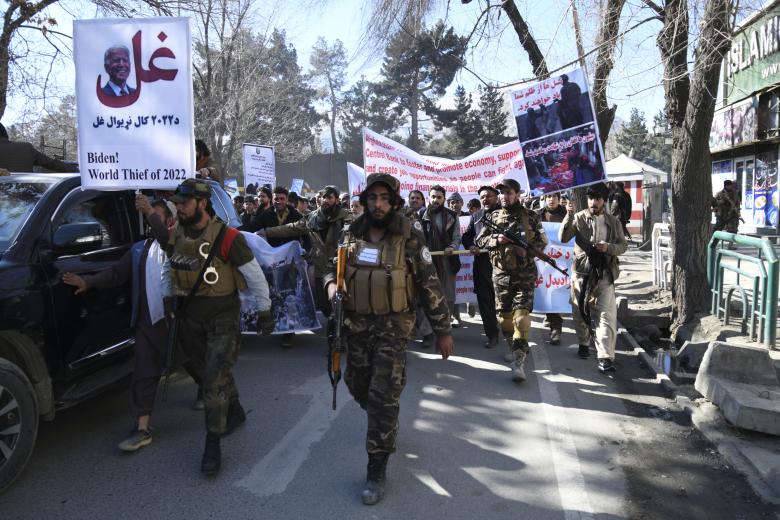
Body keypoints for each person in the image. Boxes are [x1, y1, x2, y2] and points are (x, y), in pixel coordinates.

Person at [324, 173, 453, 506]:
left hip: (394, 328)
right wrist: (330, 286)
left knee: (382, 397)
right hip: (356, 327)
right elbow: (329, 267)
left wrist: (443, 330)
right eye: (372, 198)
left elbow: (429, 284)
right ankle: (386, 418)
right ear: (365, 201)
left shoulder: (411, 237)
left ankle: (376, 466)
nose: (377, 204)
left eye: (384, 198)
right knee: (356, 383)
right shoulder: (349, 233)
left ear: (394, 202)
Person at [163, 179, 274, 476]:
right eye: (178, 203)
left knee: (213, 381)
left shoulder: (228, 237)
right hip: (190, 317)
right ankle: (234, 409)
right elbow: (168, 266)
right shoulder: (178, 232)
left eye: (184, 203)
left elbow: (255, 275)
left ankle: (212, 444)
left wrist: (265, 311)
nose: (180, 208)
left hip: (223, 317)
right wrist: (167, 297)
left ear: (201, 203)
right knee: (201, 371)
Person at [63, 196, 177, 451]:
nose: (151, 220)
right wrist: (88, 282)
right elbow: (116, 272)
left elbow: (166, 240)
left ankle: (220, 400)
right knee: (144, 371)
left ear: (170, 220)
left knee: (199, 363)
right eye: (149, 216)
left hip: (181, 323)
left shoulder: (180, 244)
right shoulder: (139, 249)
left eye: (156, 216)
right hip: (150, 322)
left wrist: (148, 210)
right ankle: (142, 427)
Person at [476, 178, 547, 382]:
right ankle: (514, 344)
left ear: (517, 194)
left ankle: (519, 361)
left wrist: (526, 250)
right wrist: (496, 240)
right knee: (504, 318)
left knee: (521, 318)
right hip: (500, 275)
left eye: (509, 193)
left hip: (524, 275)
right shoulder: (493, 216)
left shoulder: (531, 217)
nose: (504, 197)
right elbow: (479, 240)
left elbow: (541, 242)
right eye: (502, 193)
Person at [560, 183, 627, 373]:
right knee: (580, 312)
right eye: (591, 199)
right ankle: (583, 342)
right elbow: (564, 237)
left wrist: (609, 248)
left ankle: (605, 357)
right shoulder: (578, 217)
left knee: (605, 316)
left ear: (604, 201)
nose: (593, 202)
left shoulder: (613, 222)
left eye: (597, 199)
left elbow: (623, 246)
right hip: (581, 274)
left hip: (604, 275)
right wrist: (568, 215)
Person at [261, 185, 352, 318]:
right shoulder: (312, 218)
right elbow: (291, 228)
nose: (325, 200)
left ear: (337, 200)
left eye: (329, 198)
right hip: (320, 268)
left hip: (340, 267)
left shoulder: (346, 217)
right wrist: (266, 232)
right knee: (324, 306)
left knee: (342, 305)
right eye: (323, 197)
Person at [461, 185, 501, 348]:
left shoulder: (505, 213)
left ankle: (512, 335)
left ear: (496, 197)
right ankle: (492, 335)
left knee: (505, 304)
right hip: (482, 266)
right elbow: (467, 236)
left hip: (502, 265)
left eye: (489, 196)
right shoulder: (476, 215)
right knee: (485, 302)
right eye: (483, 196)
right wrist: (470, 245)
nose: (486, 199)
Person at [420, 185, 461, 329]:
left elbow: (457, 238)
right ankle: (427, 333)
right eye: (433, 197)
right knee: (427, 296)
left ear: (444, 199)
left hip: (447, 261)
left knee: (448, 296)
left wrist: (452, 247)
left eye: (439, 197)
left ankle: (445, 328)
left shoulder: (452, 216)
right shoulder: (421, 215)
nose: (436, 200)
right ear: (428, 198)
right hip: (426, 262)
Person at [538, 192, 568, 345]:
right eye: (548, 197)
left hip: (565, 259)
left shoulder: (567, 213)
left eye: (554, 196)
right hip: (545, 259)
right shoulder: (538, 215)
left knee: (563, 291)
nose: (551, 199)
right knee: (549, 290)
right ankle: (556, 327)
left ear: (559, 198)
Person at [0, 123, 79, 172]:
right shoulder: (26, 148)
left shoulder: (26, 148)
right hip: (26, 195)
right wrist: (77, 171)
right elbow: (51, 163)